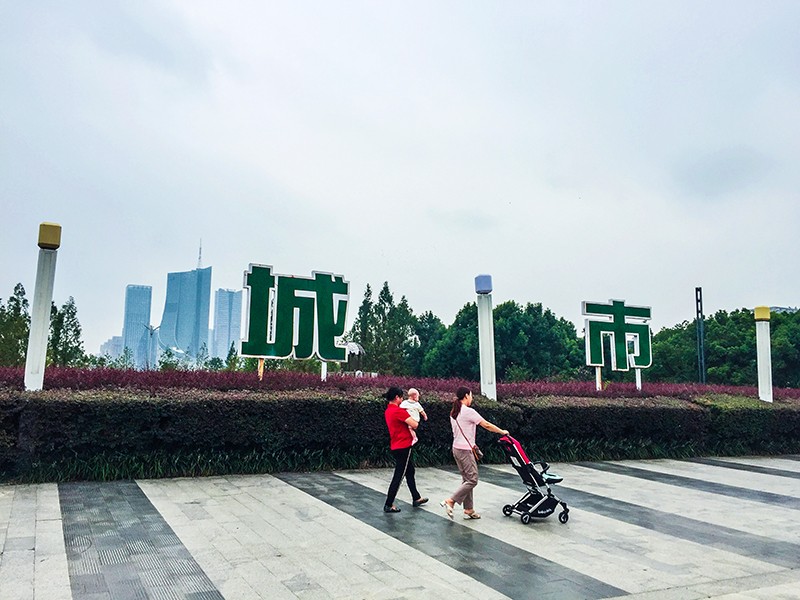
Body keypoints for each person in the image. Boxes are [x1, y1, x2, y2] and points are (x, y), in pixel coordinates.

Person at [440, 386, 508, 520]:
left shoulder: (454, 412)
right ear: (466, 396)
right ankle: (451, 501)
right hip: (465, 450)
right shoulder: (468, 411)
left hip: (456, 449)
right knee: (472, 480)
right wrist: (502, 431)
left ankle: (469, 509)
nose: (472, 398)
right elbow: (486, 425)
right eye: (471, 395)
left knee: (467, 480)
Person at [383, 387, 428, 513]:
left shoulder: (388, 411)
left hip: (396, 445)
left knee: (410, 471)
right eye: (401, 397)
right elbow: (415, 424)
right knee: (399, 475)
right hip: (403, 446)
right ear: (397, 397)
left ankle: (416, 497)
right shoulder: (398, 411)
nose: (402, 400)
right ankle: (388, 504)